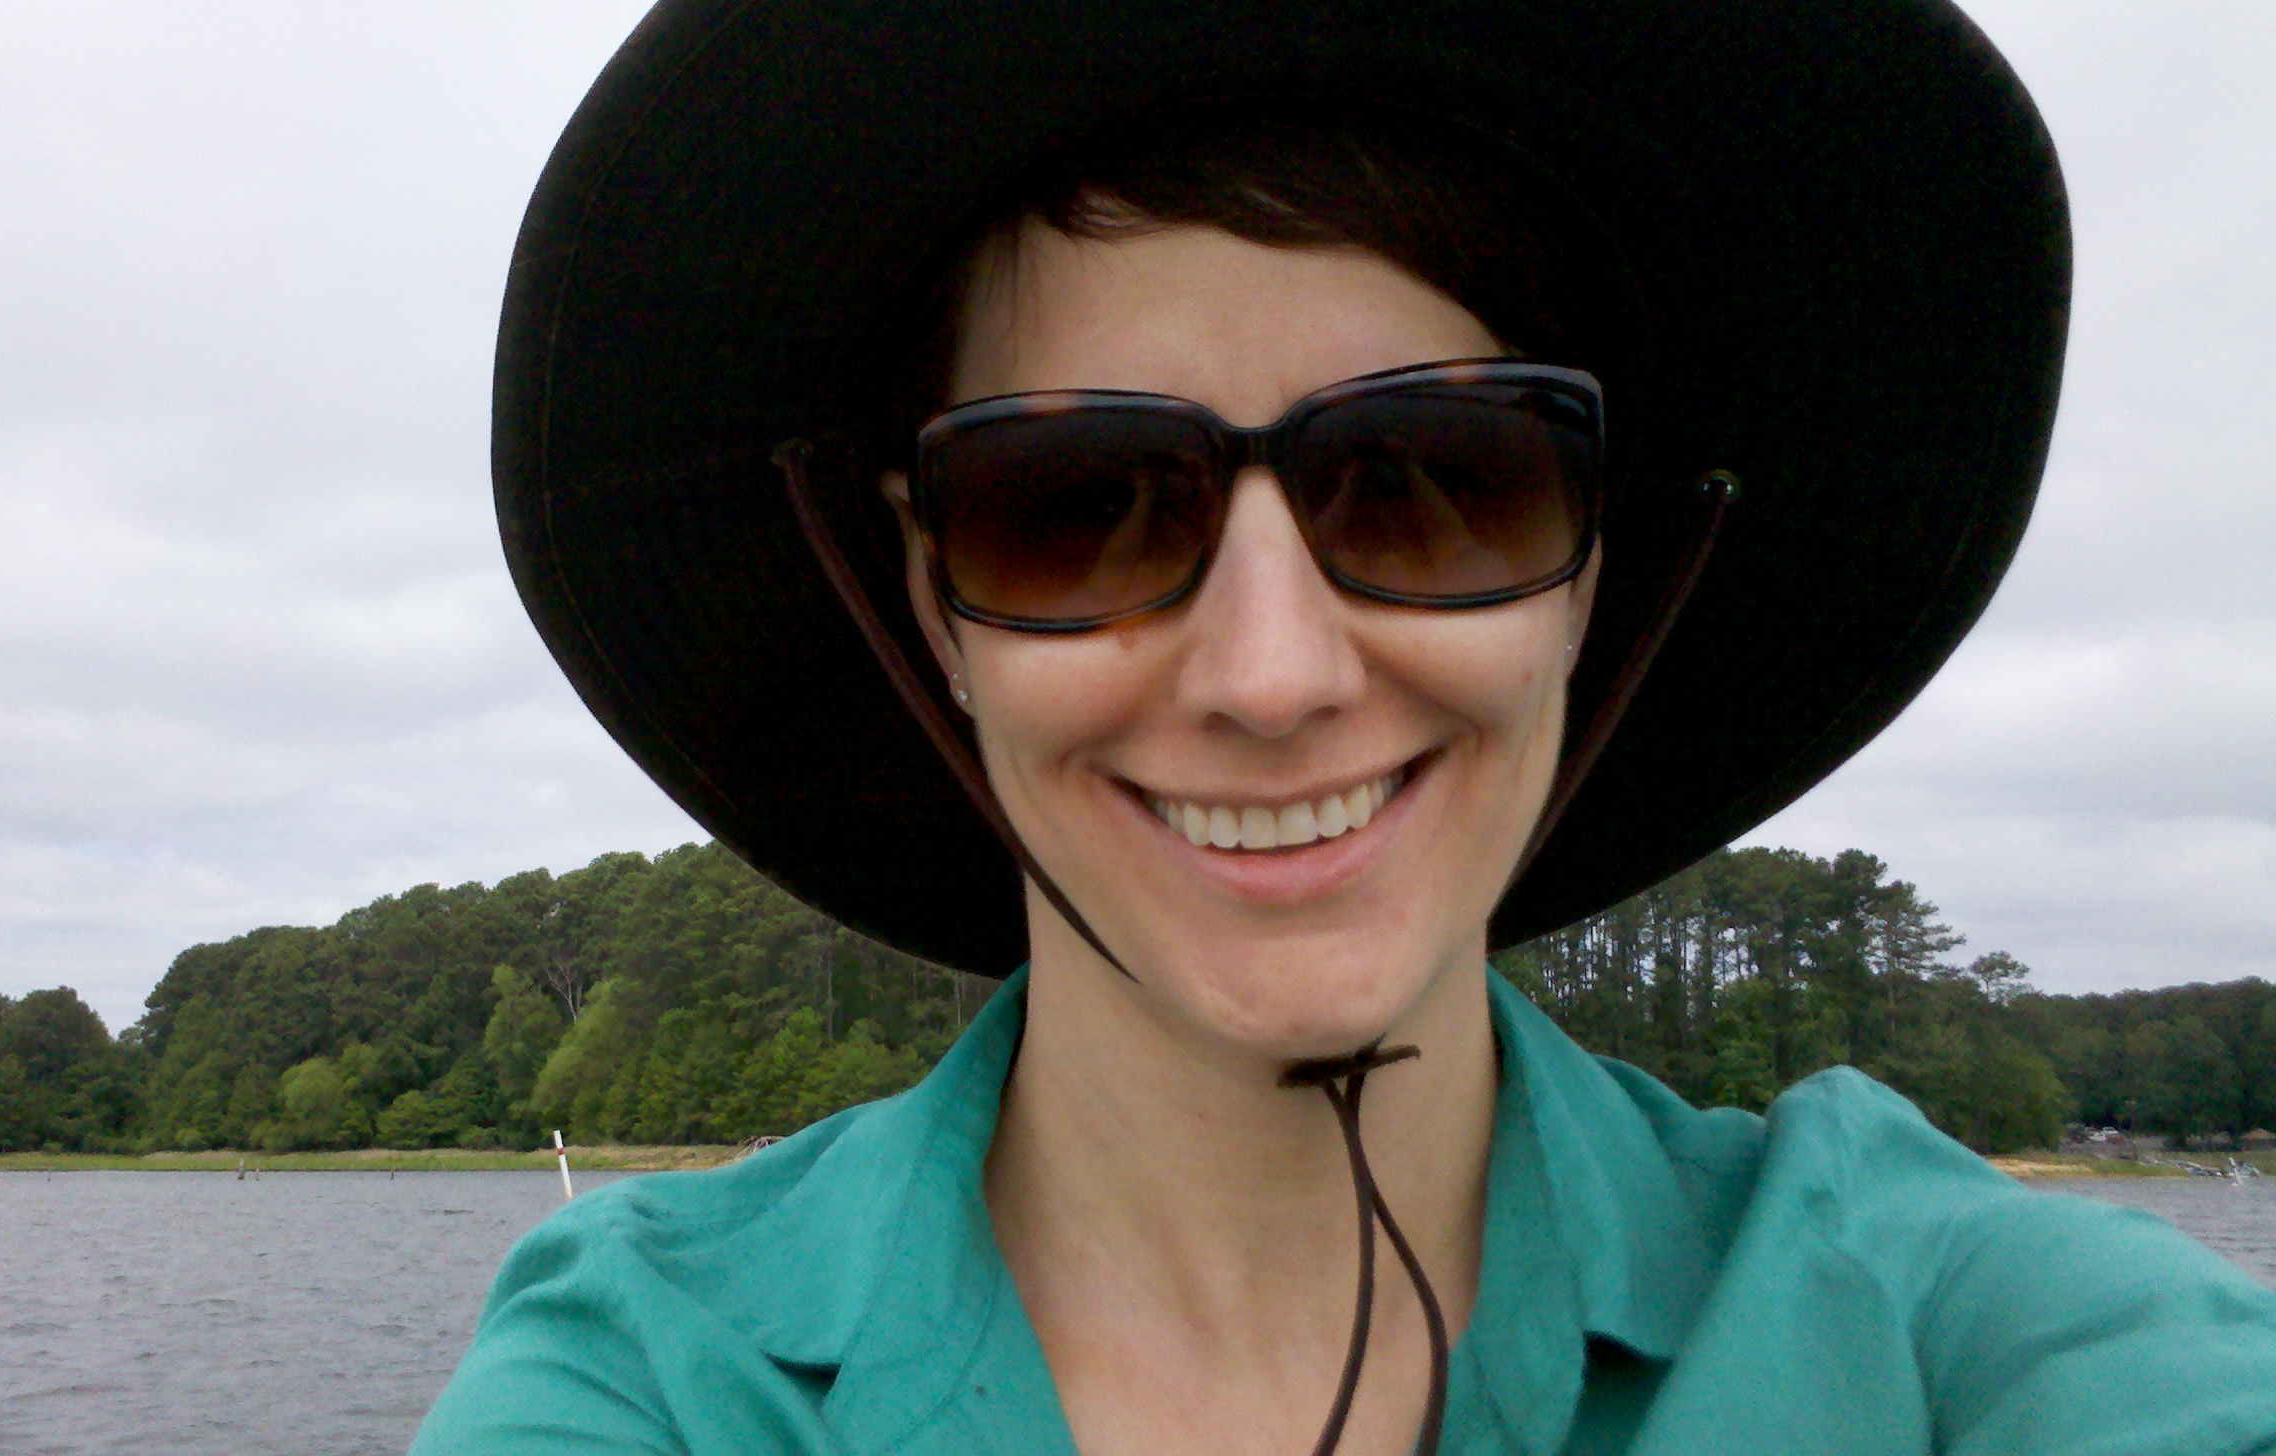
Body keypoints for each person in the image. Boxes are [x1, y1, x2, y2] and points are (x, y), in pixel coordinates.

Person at [418, 2, 2276, 1452]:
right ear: (932, 602)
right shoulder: (654, 1375)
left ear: (1589, 572)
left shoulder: (1946, 1322)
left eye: (1441, 479)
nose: (1272, 674)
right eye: (1075, 505)